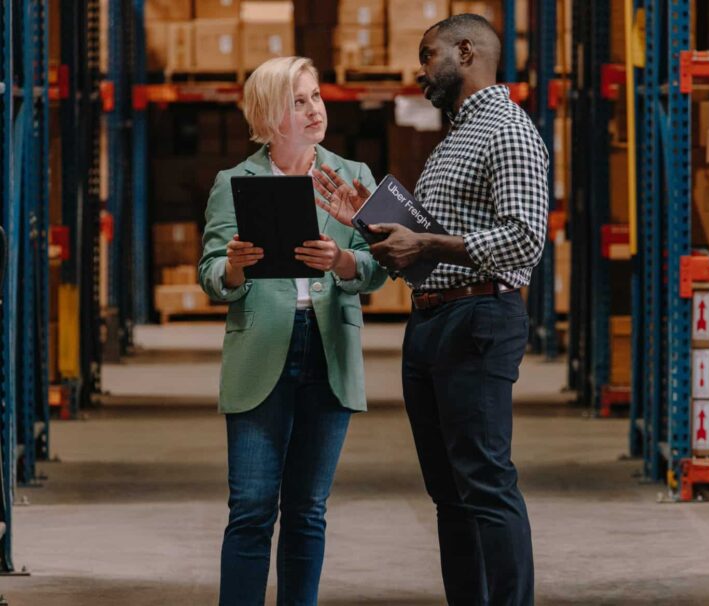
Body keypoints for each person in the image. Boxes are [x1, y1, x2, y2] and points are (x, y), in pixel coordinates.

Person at [314, 14, 548, 605]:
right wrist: (368, 224)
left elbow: (525, 239)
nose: (420, 71)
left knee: (486, 484)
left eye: (427, 56)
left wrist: (430, 244)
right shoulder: (455, 138)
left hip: (478, 320)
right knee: (449, 494)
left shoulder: (507, 130)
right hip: (433, 321)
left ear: (465, 52)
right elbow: (419, 252)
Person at [198, 56, 387, 606]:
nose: (314, 110)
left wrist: (344, 263)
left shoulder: (355, 177)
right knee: (253, 506)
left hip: (328, 350)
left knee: (308, 509)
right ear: (268, 115)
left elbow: (379, 266)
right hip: (262, 351)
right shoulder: (234, 183)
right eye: (298, 101)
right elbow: (211, 274)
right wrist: (233, 268)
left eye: (317, 97)